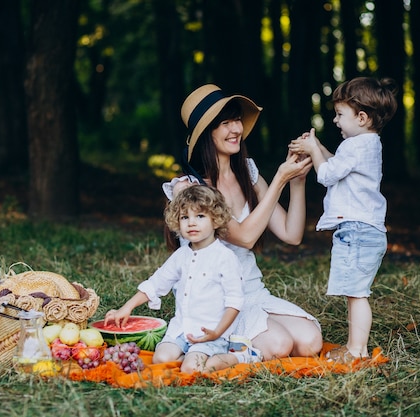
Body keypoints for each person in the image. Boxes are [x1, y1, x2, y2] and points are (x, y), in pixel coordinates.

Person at [163, 84, 323, 364]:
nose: (236, 128)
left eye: (236, 120)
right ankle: (223, 353)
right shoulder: (189, 189)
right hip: (215, 303)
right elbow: (245, 237)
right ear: (206, 133)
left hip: (251, 292)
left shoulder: (247, 172)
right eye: (225, 123)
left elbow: (291, 234)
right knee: (280, 344)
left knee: (311, 341)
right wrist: (280, 180)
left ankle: (236, 347)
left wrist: (296, 183)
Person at [288, 77, 398, 363]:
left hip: (357, 230)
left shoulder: (356, 146)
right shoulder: (366, 144)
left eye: (339, 114)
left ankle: (356, 350)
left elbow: (326, 175)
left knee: (357, 294)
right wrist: (318, 147)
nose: (336, 121)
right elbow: (336, 164)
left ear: (361, 118)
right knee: (355, 292)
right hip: (365, 228)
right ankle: (354, 346)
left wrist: (313, 150)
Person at [104, 185, 260, 373]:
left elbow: (234, 302)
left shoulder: (225, 258)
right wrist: (126, 307)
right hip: (181, 329)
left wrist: (217, 333)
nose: (191, 223)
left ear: (216, 219)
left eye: (200, 216)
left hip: (211, 333)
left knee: (194, 369)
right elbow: (156, 283)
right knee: (160, 358)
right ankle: (189, 356)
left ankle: (241, 356)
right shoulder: (181, 255)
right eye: (185, 217)